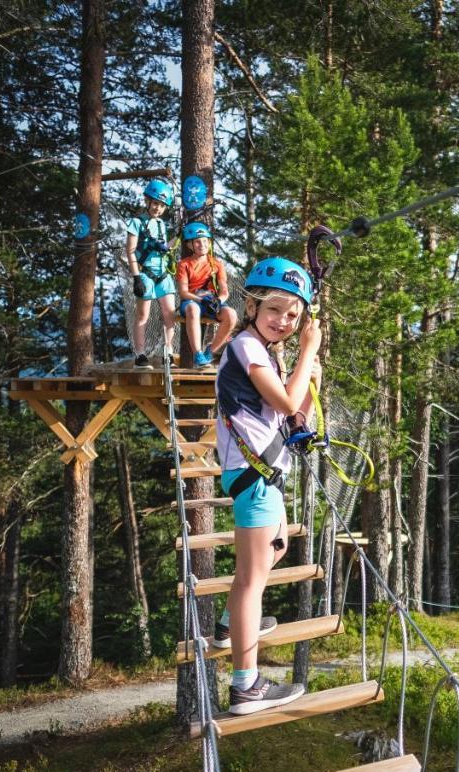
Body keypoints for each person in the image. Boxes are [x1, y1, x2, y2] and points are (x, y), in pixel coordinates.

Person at [213, 257, 322, 715]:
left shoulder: (267, 354)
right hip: (254, 476)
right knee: (250, 581)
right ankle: (246, 687)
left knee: (274, 549)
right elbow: (285, 399)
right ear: (253, 305)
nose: (285, 321)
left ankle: (226, 627)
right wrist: (309, 352)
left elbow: (295, 414)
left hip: (263, 474)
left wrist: (309, 381)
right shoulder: (246, 347)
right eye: (276, 309)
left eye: (294, 316)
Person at [126, 178, 178, 368]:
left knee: (169, 314)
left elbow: (164, 248)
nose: (158, 208)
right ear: (148, 201)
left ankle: (168, 352)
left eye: (162, 205)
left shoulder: (161, 225)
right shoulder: (136, 222)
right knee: (143, 316)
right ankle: (140, 355)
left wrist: (177, 237)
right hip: (145, 274)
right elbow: (130, 250)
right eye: (155, 203)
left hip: (163, 274)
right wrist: (136, 277)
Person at [175, 222, 237, 369]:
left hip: (212, 301)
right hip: (192, 300)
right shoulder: (184, 264)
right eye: (197, 241)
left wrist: (218, 301)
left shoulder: (217, 265)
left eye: (204, 241)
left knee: (231, 314)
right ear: (190, 245)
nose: (201, 244)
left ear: (209, 243)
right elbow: (183, 292)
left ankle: (211, 351)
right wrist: (201, 300)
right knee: (193, 310)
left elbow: (224, 292)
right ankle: (198, 353)